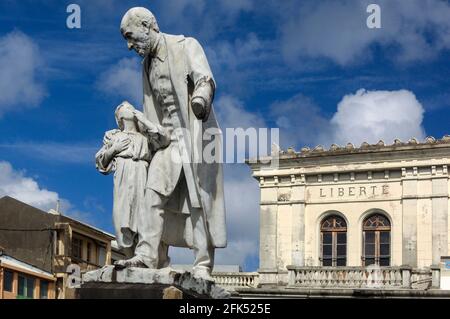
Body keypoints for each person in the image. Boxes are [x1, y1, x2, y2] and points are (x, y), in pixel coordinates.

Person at [118, 7, 226, 279]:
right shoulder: (146, 66)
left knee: (198, 200)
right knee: (152, 193)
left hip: (196, 133)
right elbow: (152, 104)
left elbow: (205, 78)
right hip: (166, 140)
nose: (130, 46)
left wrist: (200, 99)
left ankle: (202, 264)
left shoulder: (185, 45)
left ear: (147, 25)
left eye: (131, 37)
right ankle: (147, 255)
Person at [95, 101, 169, 263]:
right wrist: (114, 149)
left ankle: (143, 257)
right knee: (121, 217)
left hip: (142, 173)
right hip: (123, 174)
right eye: (125, 108)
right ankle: (130, 257)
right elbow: (101, 162)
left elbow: (164, 141)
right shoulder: (114, 136)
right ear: (119, 117)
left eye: (130, 107)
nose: (128, 108)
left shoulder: (145, 137)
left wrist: (145, 121)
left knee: (143, 215)